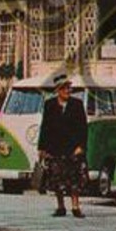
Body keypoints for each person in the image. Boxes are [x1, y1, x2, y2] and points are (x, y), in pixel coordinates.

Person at [36, 75, 89, 218]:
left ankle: (75, 206)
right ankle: (60, 206)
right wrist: (42, 148)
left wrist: (81, 146)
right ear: (58, 90)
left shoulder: (77, 105)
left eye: (69, 87)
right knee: (56, 178)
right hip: (55, 147)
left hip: (72, 147)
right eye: (65, 88)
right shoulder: (50, 105)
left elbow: (83, 128)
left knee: (74, 179)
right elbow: (45, 127)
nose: (68, 90)